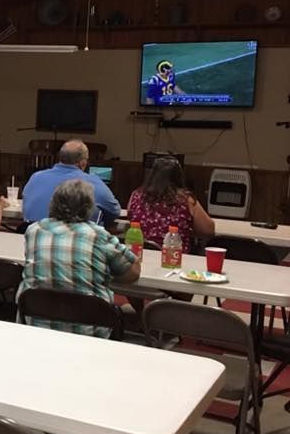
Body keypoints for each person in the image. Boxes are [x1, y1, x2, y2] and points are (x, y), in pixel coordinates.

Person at [18, 179, 140, 337]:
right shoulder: (98, 235)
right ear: (88, 207)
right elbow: (133, 272)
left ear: (53, 203)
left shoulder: (34, 230)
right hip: (90, 331)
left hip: (34, 326)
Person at [22, 140, 121, 226]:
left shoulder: (35, 177)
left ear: (60, 158)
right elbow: (114, 212)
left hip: (34, 241)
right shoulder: (93, 183)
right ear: (83, 163)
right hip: (76, 243)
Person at [127, 157, 215, 252]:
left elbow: (131, 217)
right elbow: (208, 230)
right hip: (173, 257)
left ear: (152, 175)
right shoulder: (185, 199)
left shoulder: (136, 195)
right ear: (179, 177)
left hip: (140, 255)